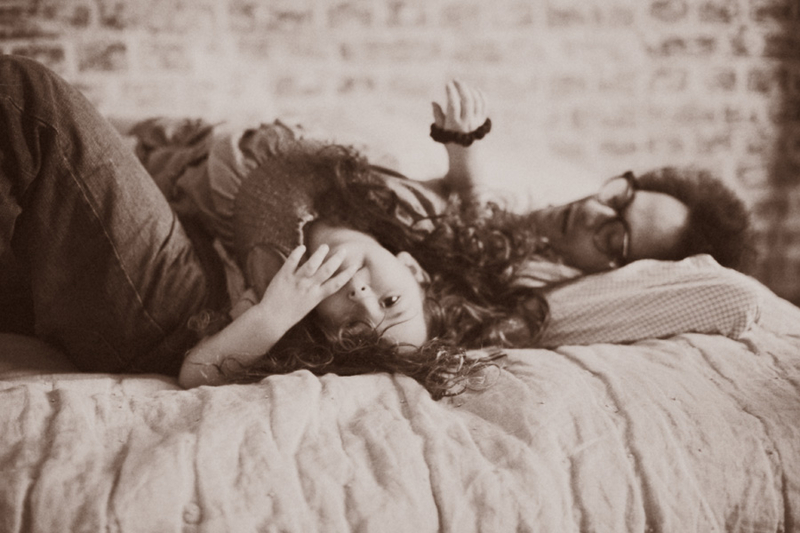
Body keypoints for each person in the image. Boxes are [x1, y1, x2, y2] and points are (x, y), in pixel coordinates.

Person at [0, 56, 549, 399]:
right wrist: (463, 144)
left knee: (30, 100)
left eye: (355, 328)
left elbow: (196, 373)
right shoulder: (401, 211)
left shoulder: (280, 308)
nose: (361, 297)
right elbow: (472, 213)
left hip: (176, 308)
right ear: (413, 270)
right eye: (389, 302)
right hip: (176, 214)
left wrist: (273, 314)